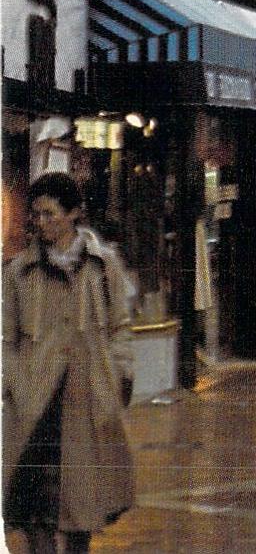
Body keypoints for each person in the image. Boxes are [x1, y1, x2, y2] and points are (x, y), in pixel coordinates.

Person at [3, 173, 136, 554]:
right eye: (36, 214)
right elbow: (6, 339)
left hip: (86, 399)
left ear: (73, 213)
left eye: (49, 214)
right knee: (32, 508)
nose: (41, 222)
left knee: (81, 506)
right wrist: (16, 384)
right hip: (34, 403)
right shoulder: (18, 271)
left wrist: (120, 374)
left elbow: (119, 326)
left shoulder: (102, 264)